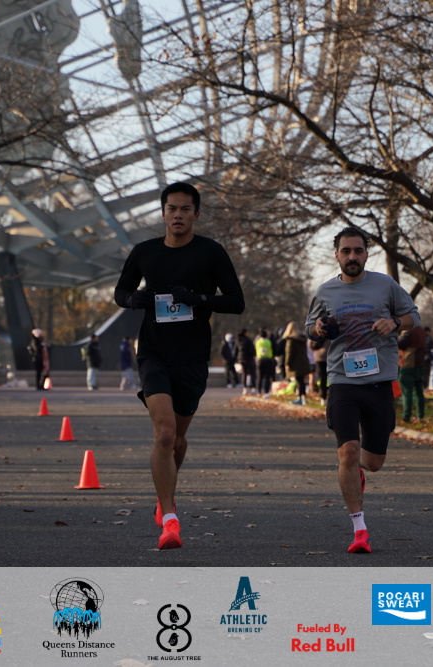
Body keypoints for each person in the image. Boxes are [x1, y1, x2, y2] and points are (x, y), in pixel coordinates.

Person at [114, 181, 245, 550]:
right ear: (163, 213)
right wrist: (135, 300)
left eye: (185, 209)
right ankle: (169, 518)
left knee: (178, 439)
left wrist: (197, 298)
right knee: (165, 434)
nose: (178, 214)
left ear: (196, 214)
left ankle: (165, 494)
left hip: (192, 357)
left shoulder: (210, 252)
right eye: (172, 208)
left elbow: (236, 302)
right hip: (153, 353)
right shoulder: (144, 252)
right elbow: (120, 292)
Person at [304, 226, 419, 554]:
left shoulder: (385, 285)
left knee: (373, 461)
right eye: (346, 251)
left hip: (379, 382)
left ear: (366, 254)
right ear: (336, 255)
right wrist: (318, 328)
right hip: (342, 381)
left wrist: (394, 323)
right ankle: (359, 529)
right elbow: (309, 328)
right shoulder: (325, 291)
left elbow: (413, 316)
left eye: (358, 250)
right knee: (348, 453)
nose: (352, 256)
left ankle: (358, 475)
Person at [397, 323, 426, 421]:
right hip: (420, 365)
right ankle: (420, 415)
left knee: (407, 392)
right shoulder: (421, 330)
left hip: (408, 365)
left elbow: (399, 343)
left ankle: (406, 416)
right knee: (419, 392)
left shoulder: (408, 331)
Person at [281, 321, 312, 405]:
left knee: (299, 381)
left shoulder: (291, 340)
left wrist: (287, 364)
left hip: (295, 364)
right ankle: (303, 398)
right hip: (304, 362)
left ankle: (299, 398)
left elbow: (289, 353)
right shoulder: (302, 339)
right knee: (301, 381)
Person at [254, 327, 275, 397]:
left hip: (259, 360)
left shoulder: (257, 342)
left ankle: (258, 391)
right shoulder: (269, 342)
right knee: (267, 377)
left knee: (259, 377)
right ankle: (266, 392)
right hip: (268, 359)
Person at [309, 337, 329, 406]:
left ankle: (323, 397)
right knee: (331, 377)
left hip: (318, 356)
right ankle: (327, 396)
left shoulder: (315, 333)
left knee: (322, 378)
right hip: (328, 355)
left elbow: (310, 344)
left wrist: (315, 351)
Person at [236, 328, 256, 395]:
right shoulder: (248, 340)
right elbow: (251, 350)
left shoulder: (238, 340)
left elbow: (236, 350)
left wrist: (236, 359)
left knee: (244, 373)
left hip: (241, 359)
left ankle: (245, 388)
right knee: (252, 373)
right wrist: (252, 356)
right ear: (245, 333)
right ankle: (253, 387)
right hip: (248, 359)